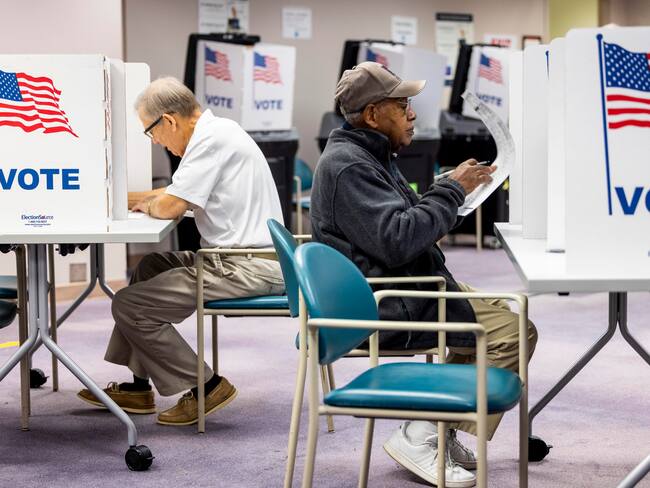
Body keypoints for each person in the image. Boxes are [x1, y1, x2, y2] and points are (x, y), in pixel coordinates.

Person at [310, 62, 538, 487]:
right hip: (388, 300)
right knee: (511, 330)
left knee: (508, 323)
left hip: (406, 284)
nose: (412, 114)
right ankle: (423, 433)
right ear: (373, 115)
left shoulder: (368, 153)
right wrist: (452, 190)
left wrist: (446, 184)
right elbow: (397, 239)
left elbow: (396, 218)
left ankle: (437, 430)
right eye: (402, 105)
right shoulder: (351, 166)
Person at [77, 77, 285, 426]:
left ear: (169, 121)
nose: (155, 141)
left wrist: (147, 201)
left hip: (246, 266)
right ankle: (138, 387)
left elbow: (170, 205)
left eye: (151, 132)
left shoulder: (210, 140)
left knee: (128, 304)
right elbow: (167, 197)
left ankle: (206, 386)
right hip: (236, 258)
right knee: (151, 266)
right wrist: (139, 200)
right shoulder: (217, 132)